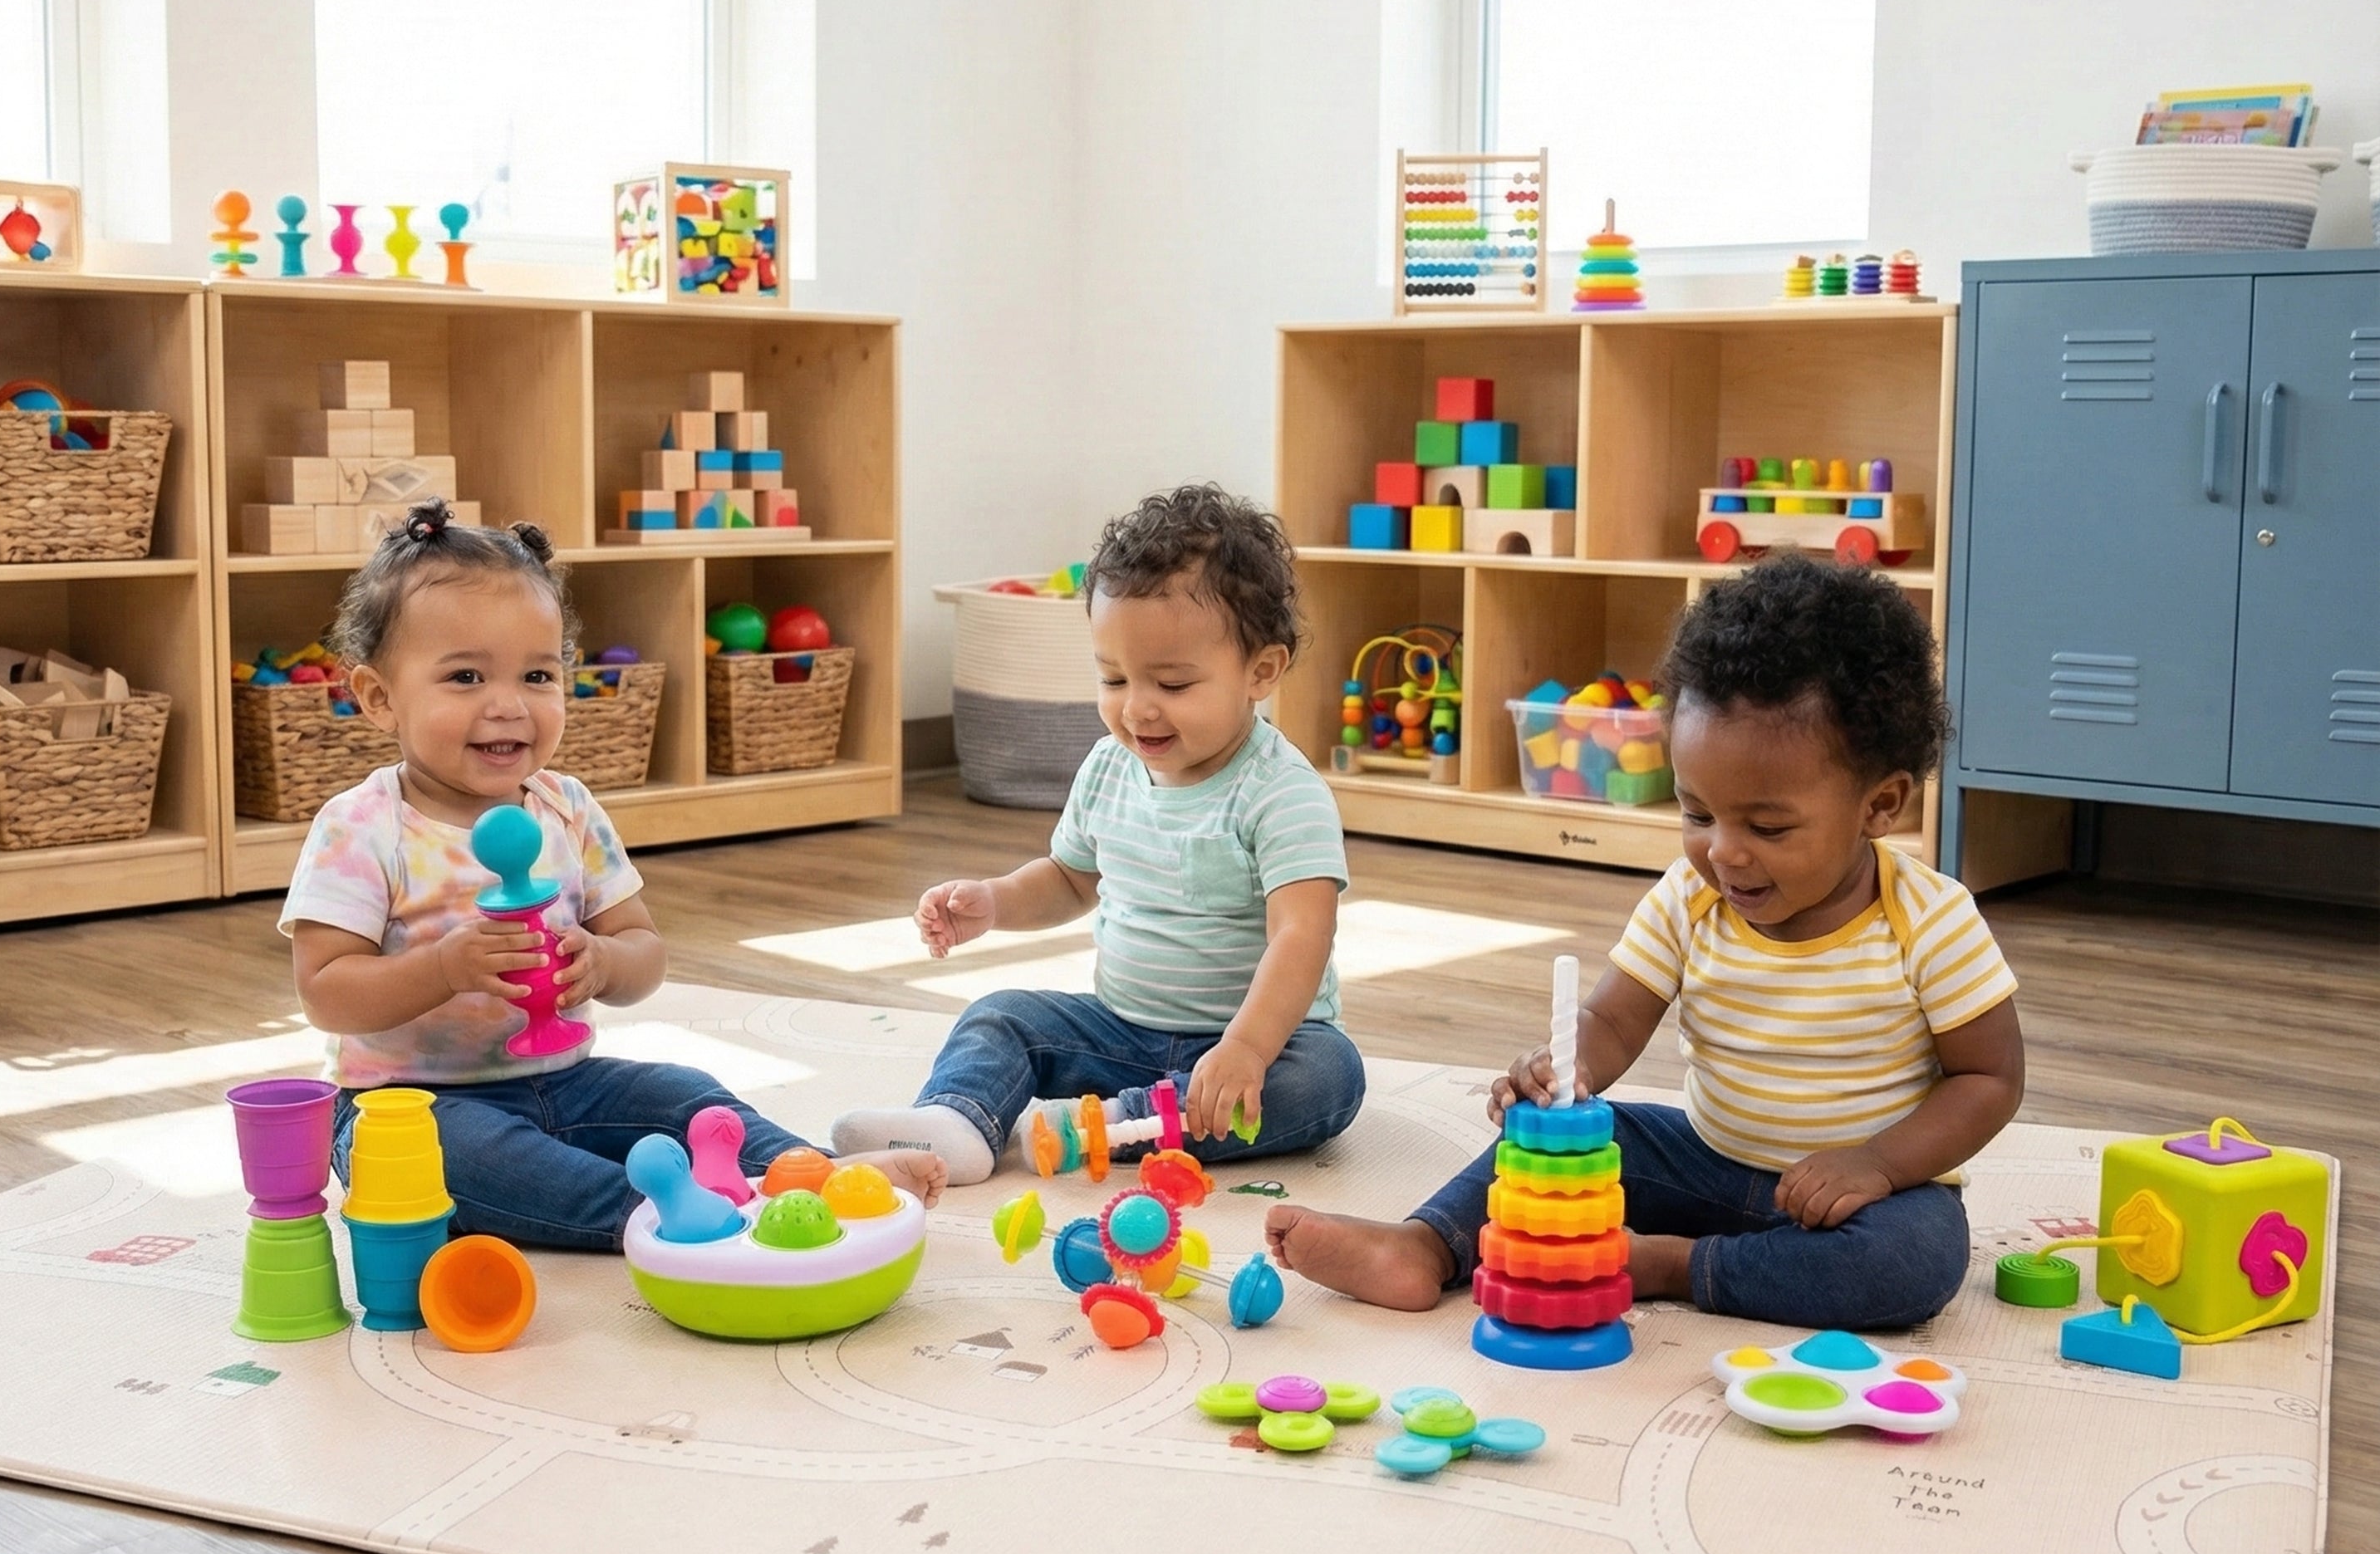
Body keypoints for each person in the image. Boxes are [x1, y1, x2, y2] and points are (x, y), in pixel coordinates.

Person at [1268, 552, 2021, 1331]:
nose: (1723, 852)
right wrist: (1565, 1070)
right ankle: (1426, 1245)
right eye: (1698, 814)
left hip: (1864, 1197)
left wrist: (1878, 1165)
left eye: (1767, 827)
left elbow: (1989, 1079)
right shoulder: (1691, 898)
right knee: (1582, 1139)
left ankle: (1669, 1265)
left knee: (1912, 1261)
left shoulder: (1930, 920)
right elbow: (1614, 1019)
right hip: (1705, 1165)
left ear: (1881, 805)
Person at [283, 502, 942, 1247]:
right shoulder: (362, 826)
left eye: (538, 675)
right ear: (379, 698)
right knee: (462, 1158)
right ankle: (655, 1216)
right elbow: (325, 991)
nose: (509, 705)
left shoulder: (566, 808)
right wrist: (442, 968)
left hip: (567, 1082)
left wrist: (603, 963)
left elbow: (643, 951)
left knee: (685, 1097)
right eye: (465, 676)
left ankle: (813, 1176)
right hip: (407, 1107)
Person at [833, 483, 1365, 1184]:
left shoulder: (1282, 792)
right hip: (1121, 1031)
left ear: (1261, 672)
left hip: (1258, 1045)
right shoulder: (1109, 766)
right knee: (1002, 1015)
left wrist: (1246, 1047)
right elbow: (1068, 878)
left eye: (1173, 685)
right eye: (1114, 679)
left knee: (1330, 1076)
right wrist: (994, 901)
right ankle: (957, 1121)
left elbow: (1302, 933)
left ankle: (1115, 1126)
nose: (1136, 709)